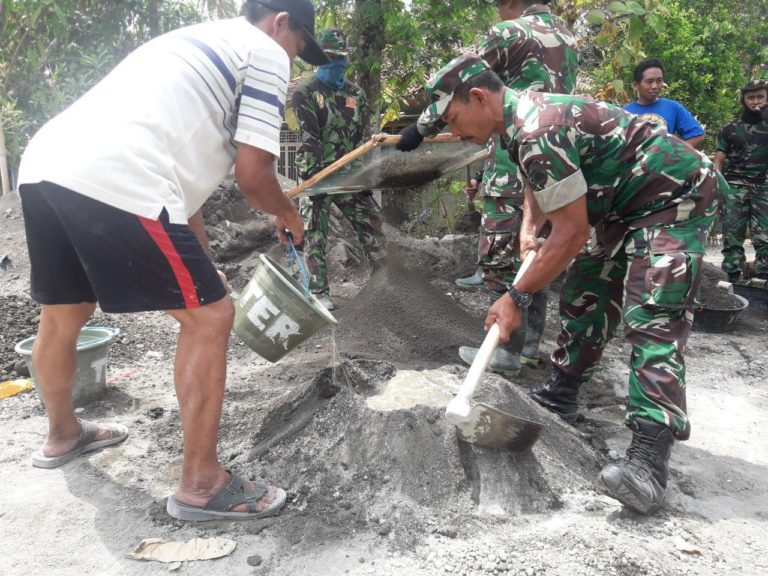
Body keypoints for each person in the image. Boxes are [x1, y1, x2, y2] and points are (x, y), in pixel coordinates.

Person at [16, 0, 329, 522]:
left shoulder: (195, 44)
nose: (294, 60)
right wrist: (288, 213)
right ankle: (203, 483)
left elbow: (186, 198)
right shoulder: (265, 52)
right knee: (211, 317)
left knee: (65, 311)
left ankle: (62, 435)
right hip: (119, 172)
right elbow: (254, 176)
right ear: (280, 23)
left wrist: (205, 267)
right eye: (299, 47)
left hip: (48, 163)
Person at [415, 54, 721, 514]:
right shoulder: (519, 123)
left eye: (453, 118)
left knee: (653, 314)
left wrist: (516, 295)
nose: (455, 132)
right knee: (585, 289)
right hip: (623, 205)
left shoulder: (538, 128)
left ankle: (648, 464)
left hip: (674, 196)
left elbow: (573, 232)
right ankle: (561, 394)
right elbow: (542, 182)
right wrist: (529, 226)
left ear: (478, 98)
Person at [397, 0, 578, 375]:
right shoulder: (568, 38)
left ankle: (505, 351)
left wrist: (421, 128)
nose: (498, 12)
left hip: (513, 153)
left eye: (499, 5)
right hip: (553, 155)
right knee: (534, 249)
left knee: (498, 254)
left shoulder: (509, 33)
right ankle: (528, 347)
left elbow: (464, 85)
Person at [292, 28, 386, 310]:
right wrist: (315, 179)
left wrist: (361, 174)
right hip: (317, 172)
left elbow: (359, 139)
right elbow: (310, 138)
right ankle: (318, 293)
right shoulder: (305, 92)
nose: (337, 64)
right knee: (315, 234)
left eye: (340, 58)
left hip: (349, 175)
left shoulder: (355, 93)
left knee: (372, 224)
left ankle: (386, 282)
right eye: (330, 58)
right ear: (319, 60)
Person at [714, 79, 768, 281]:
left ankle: (763, 279)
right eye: (751, 97)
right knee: (732, 236)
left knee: (765, 237)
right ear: (743, 100)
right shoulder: (730, 128)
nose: (756, 101)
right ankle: (733, 279)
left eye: (760, 96)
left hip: (763, 186)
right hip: (734, 187)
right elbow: (718, 161)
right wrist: (718, 189)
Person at [623, 58, 705, 149]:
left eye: (659, 81)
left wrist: (673, 154)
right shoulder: (624, 113)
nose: (655, 86)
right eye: (649, 81)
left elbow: (697, 136)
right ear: (635, 85)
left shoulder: (673, 107)